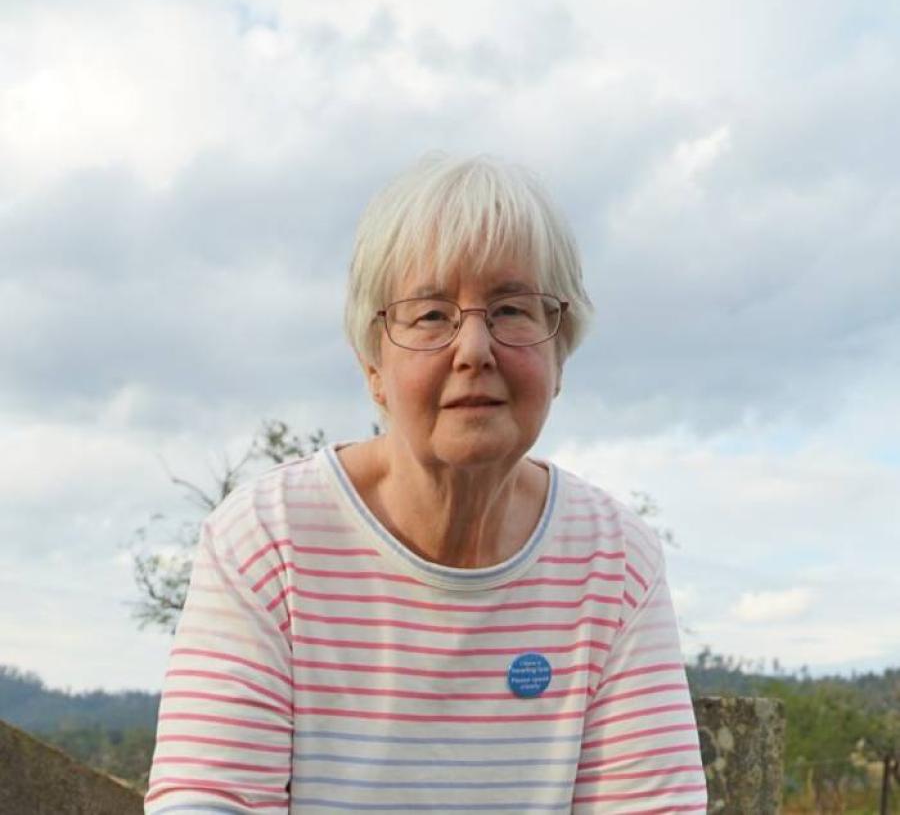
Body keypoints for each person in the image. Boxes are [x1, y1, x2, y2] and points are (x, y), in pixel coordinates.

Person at [145, 154, 707, 813]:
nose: (474, 348)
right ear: (374, 365)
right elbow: (209, 802)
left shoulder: (616, 562)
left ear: (560, 354)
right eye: (432, 314)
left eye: (512, 308)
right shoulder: (268, 541)